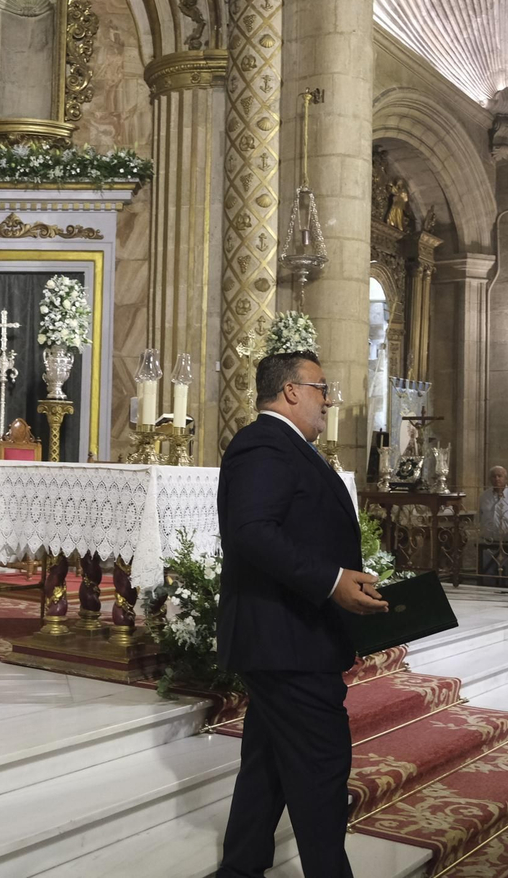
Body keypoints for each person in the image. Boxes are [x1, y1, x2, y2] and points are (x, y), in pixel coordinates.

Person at [217, 351, 387, 878]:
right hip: (285, 641)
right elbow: (250, 532)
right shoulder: (262, 444)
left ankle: (240, 870)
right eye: (321, 388)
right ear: (291, 391)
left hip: (293, 637)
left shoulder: (288, 448)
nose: (329, 399)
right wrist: (333, 582)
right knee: (321, 770)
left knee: (267, 770)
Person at [478, 465, 508, 578]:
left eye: (500, 476)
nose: (497, 479)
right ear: (490, 479)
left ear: (506, 479)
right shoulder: (484, 496)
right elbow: (479, 516)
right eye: (494, 476)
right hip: (489, 542)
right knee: (488, 574)